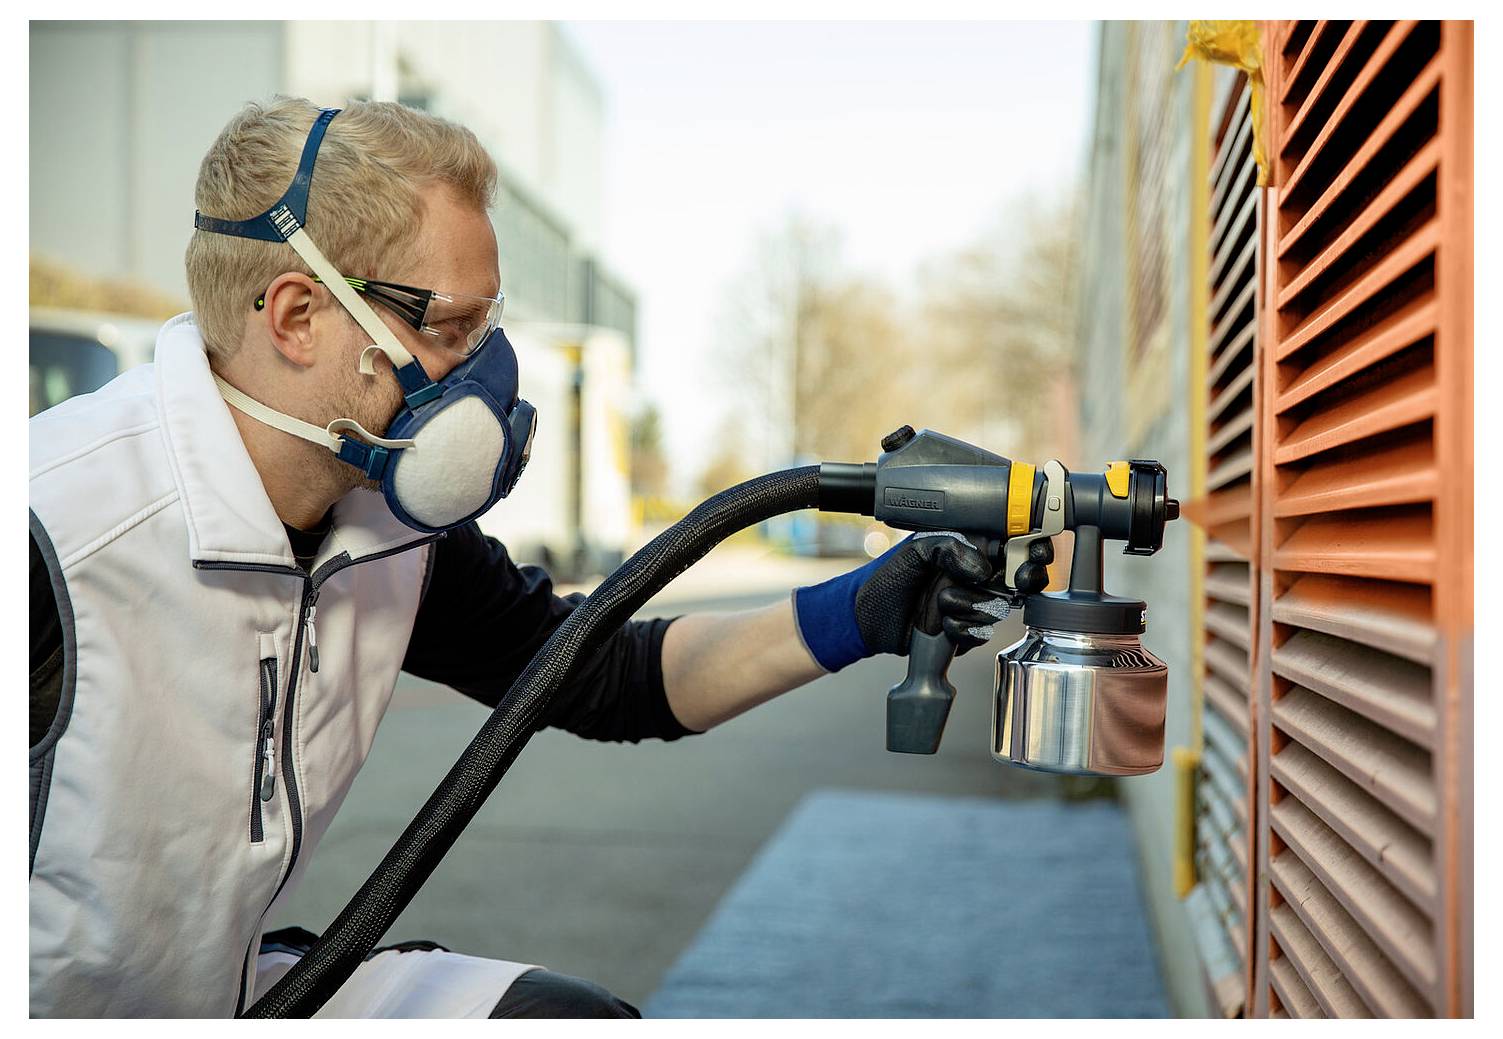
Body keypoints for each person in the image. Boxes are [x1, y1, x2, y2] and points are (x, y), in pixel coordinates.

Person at [27, 98, 1049, 1019]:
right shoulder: (55, 536)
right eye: (454, 328)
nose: (487, 376)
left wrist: (859, 612)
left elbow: (606, 677)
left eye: (491, 326)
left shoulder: (389, 532)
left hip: (232, 991)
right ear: (298, 317)